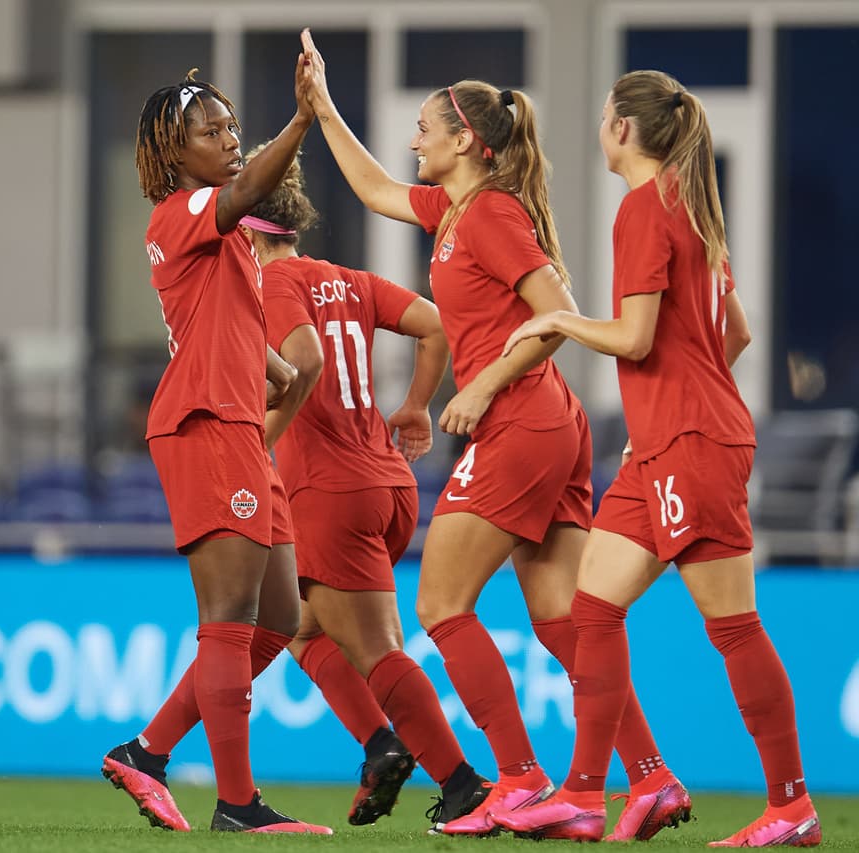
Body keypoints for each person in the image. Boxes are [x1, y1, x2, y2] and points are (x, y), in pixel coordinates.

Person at [298, 31, 685, 839]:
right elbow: (372, 188)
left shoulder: (492, 216)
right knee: (557, 618)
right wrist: (322, 108)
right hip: (549, 422)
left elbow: (559, 313)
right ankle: (649, 779)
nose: (413, 142)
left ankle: (517, 778)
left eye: (425, 130)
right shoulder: (454, 210)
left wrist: (479, 383)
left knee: (442, 603)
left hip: (522, 420)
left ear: (464, 141)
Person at [495, 70, 819, 848]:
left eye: (606, 118)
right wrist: (661, 410)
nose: (601, 128)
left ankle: (792, 806)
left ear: (624, 133)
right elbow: (729, 334)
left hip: (693, 446)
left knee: (734, 625)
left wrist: (563, 323)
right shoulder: (692, 210)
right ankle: (587, 793)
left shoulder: (644, 209)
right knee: (592, 608)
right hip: (668, 444)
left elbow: (637, 338)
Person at [100, 46, 332, 835]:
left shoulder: (221, 236)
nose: (230, 137)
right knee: (229, 616)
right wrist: (303, 117)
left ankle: (148, 749)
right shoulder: (183, 211)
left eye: (234, 126)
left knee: (274, 619)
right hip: (203, 423)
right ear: (176, 151)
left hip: (236, 421)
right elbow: (246, 191)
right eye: (213, 129)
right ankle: (237, 803)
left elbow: (234, 337)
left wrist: (286, 377)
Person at [246, 143, 478, 827]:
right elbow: (435, 324)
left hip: (329, 491)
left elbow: (302, 361)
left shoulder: (268, 286)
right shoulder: (347, 279)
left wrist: (261, 429)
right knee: (303, 628)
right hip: (388, 482)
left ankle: (465, 784)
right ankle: (381, 745)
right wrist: (415, 405)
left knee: (378, 653)